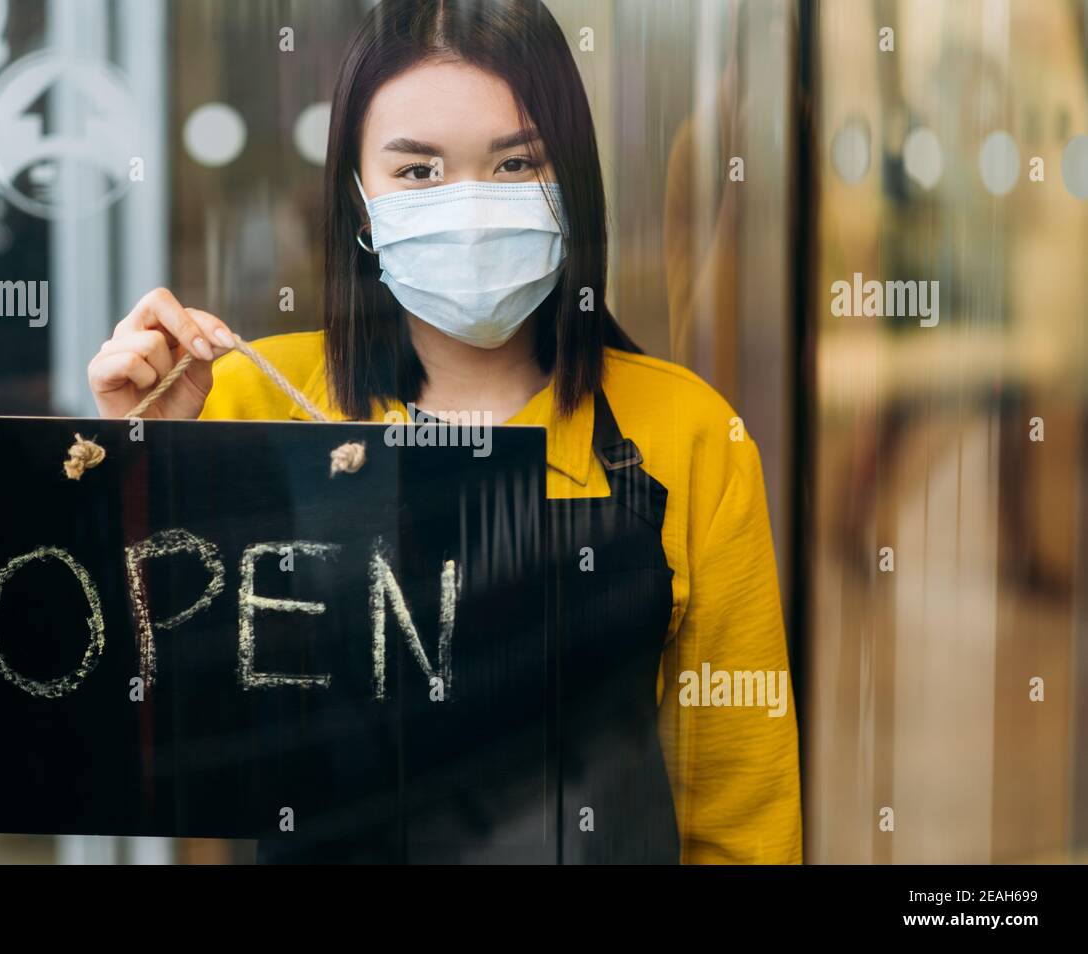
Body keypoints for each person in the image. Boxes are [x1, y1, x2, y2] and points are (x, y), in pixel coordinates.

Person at [88, 0, 800, 864]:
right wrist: (135, 471)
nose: (469, 210)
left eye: (515, 164)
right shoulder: (242, 404)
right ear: (357, 201)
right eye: (419, 173)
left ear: (570, 181)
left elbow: (738, 820)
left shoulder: (688, 434)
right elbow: (141, 741)